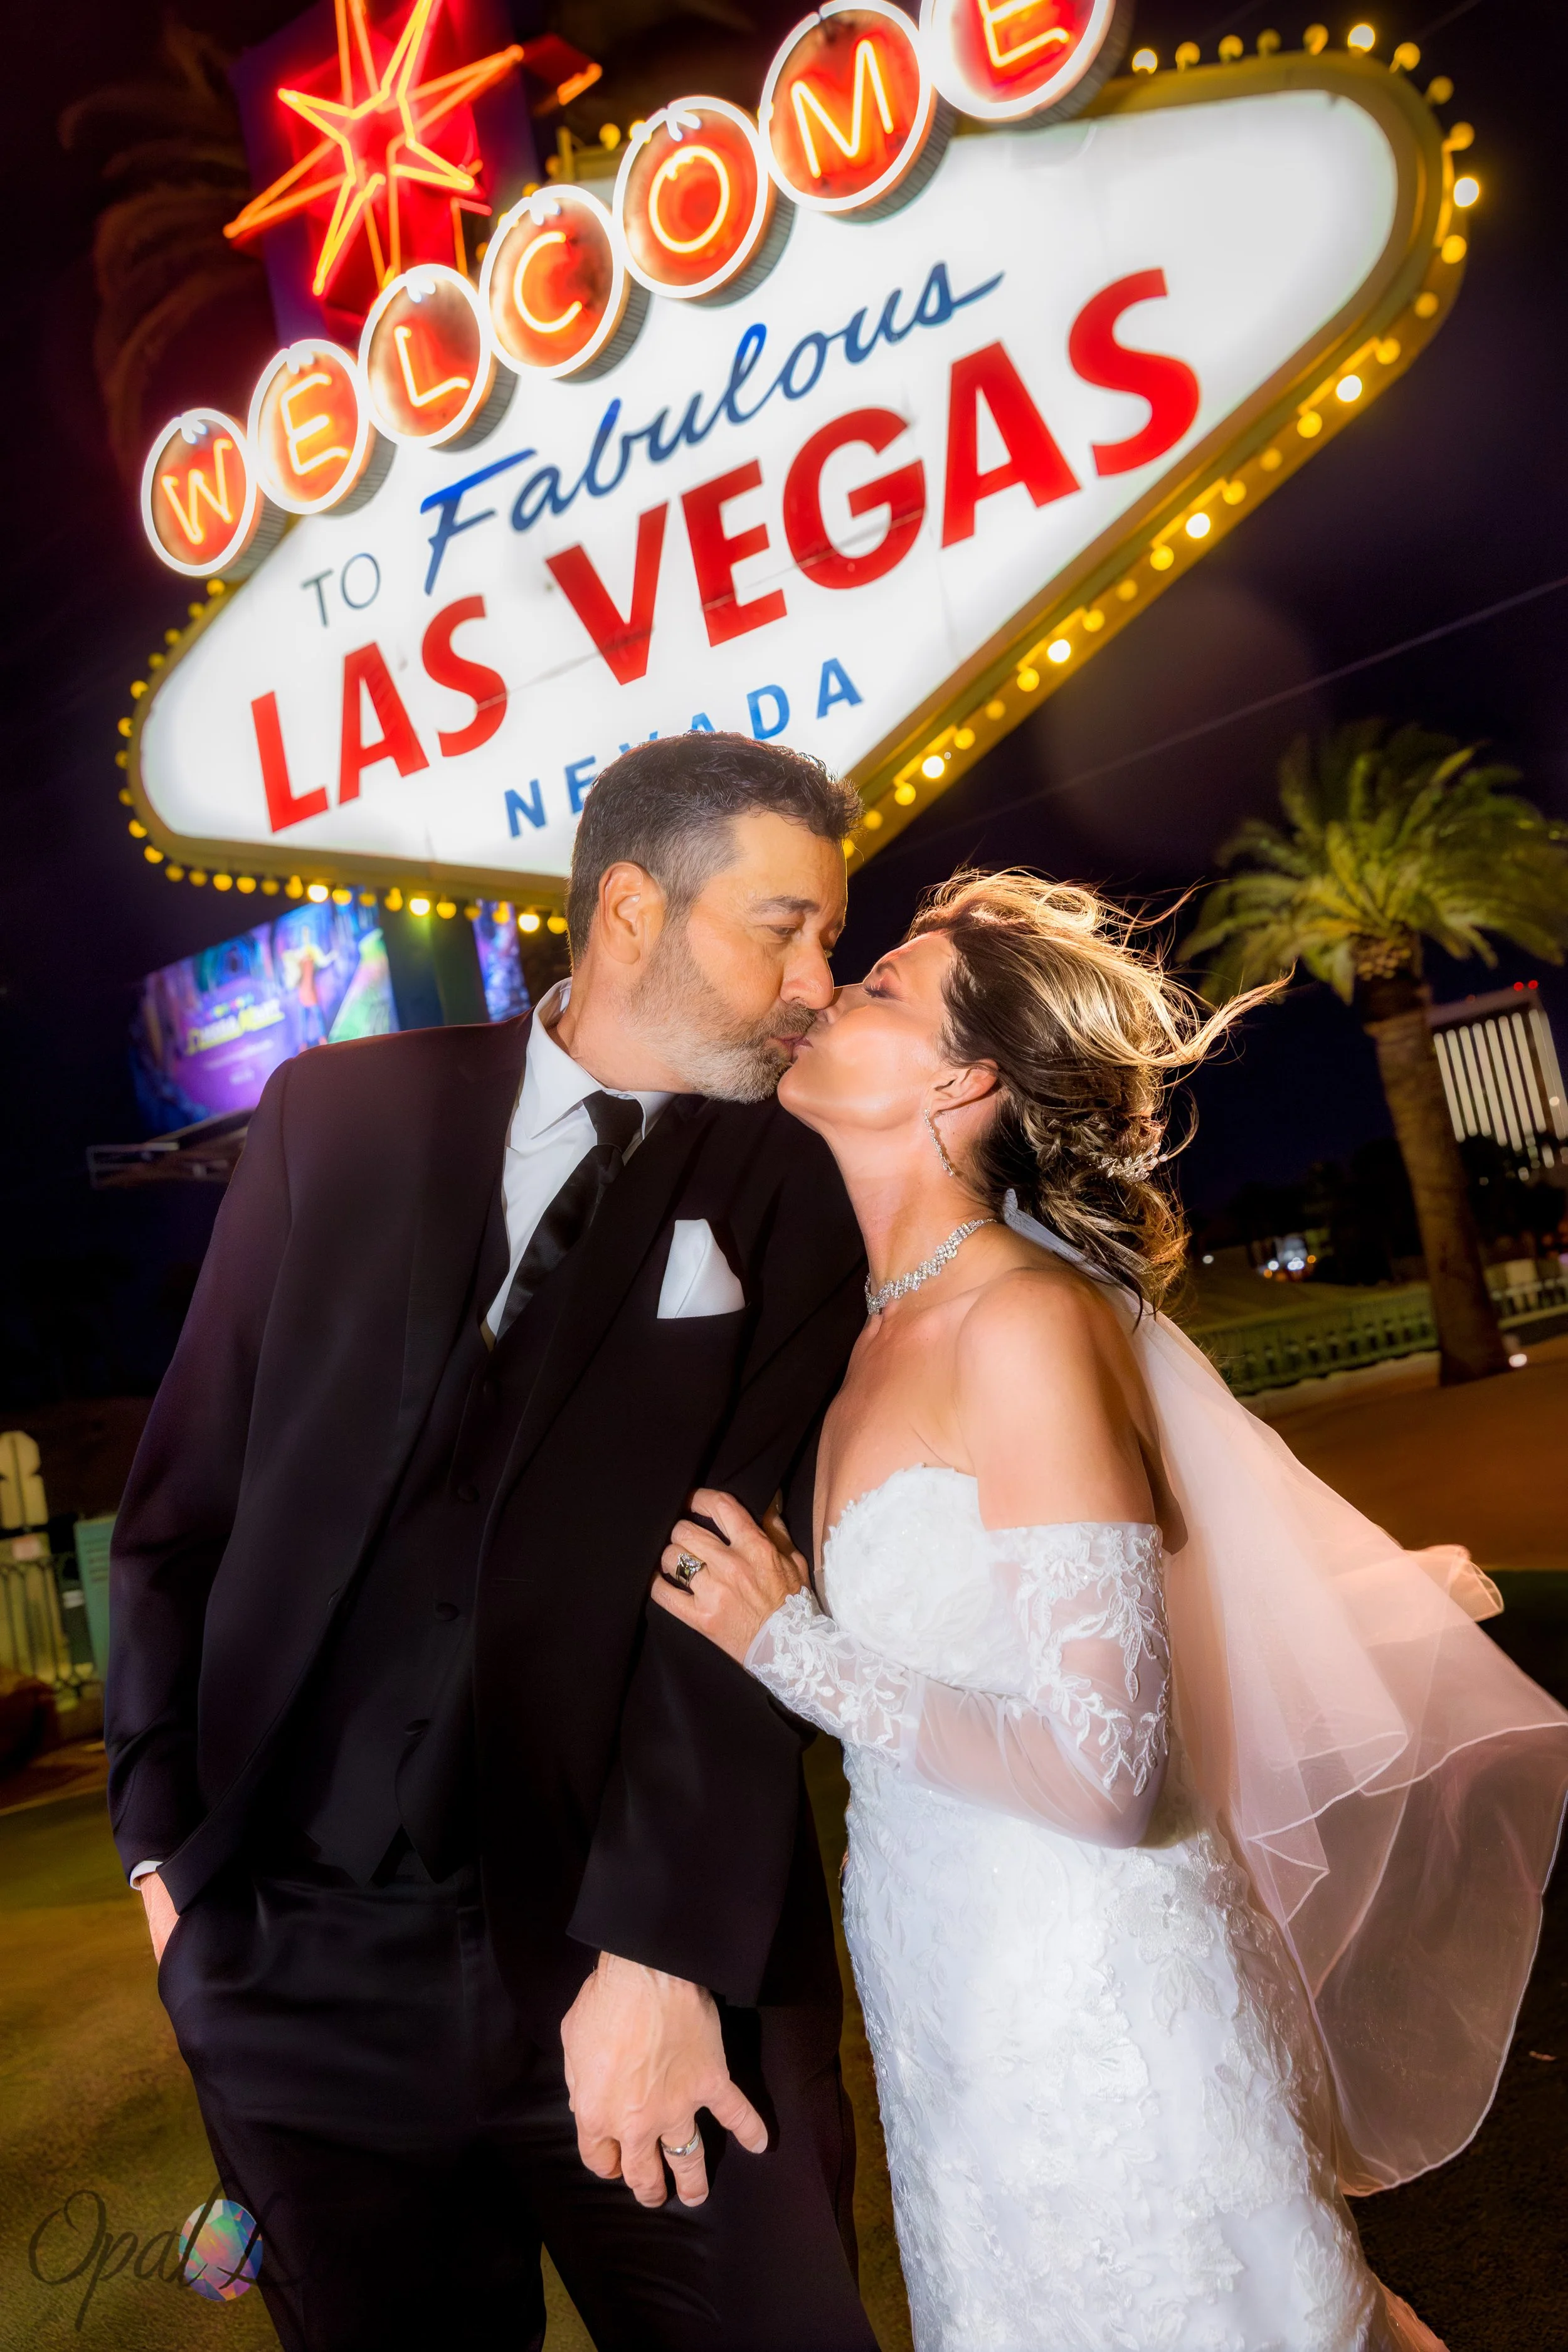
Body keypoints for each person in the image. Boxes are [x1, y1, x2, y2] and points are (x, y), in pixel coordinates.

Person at [657, 870, 1568, 2351]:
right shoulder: (870, 1327)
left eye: (878, 986)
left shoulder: (1013, 1324)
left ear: (959, 1077)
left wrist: (785, 1647)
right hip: (950, 1980)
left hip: (1090, 2002)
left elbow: (1106, 1773)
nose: (826, 993)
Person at [105, 734, 882, 2352]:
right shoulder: (332, 1116)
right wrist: (165, 1855)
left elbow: (739, 1585)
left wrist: (660, 1951)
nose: (822, 974)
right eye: (782, 927)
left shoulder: (799, 1191)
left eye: (829, 936)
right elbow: (181, 1511)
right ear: (628, 910)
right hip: (291, 1962)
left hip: (631, 1959)